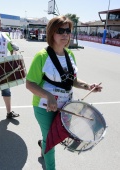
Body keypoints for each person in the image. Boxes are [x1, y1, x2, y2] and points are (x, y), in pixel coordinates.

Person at [26, 15, 102, 170]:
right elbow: (29, 84)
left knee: (55, 135)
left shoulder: (70, 55)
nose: (65, 34)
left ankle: (43, 144)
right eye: (61, 30)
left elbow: (71, 80)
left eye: (68, 31)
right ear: (51, 32)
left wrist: (88, 86)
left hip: (66, 106)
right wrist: (47, 96)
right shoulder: (42, 56)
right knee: (51, 139)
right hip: (44, 106)